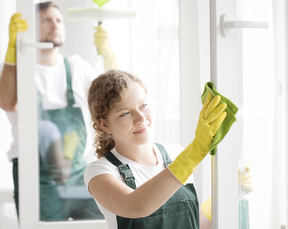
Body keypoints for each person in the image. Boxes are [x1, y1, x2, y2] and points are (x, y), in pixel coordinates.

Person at [0, 1, 117, 221]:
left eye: (59, 20)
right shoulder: (16, 70)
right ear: (31, 28)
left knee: (104, 222)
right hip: (35, 178)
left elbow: (113, 98)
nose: (55, 25)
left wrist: (108, 56)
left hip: (79, 174)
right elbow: (7, 102)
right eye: (46, 20)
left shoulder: (77, 68)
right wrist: (13, 50)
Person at [85, 70, 229, 229]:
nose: (141, 118)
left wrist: (224, 196)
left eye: (143, 106)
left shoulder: (176, 153)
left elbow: (192, 224)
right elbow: (136, 206)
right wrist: (195, 151)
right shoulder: (100, 172)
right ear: (104, 125)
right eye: (125, 113)